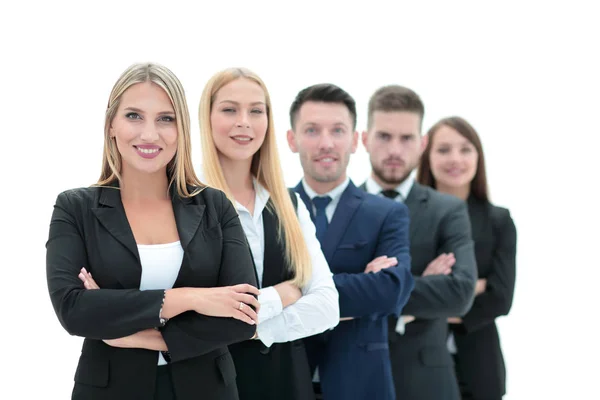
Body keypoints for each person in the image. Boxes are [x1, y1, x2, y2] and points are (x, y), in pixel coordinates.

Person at [46, 62, 260, 400]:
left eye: (165, 118)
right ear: (111, 125)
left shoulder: (215, 206)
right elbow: (74, 310)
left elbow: (244, 315)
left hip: (207, 390)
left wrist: (128, 332)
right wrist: (190, 298)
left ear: (181, 130)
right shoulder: (75, 208)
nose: (149, 134)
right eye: (134, 116)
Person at [198, 68, 340, 400]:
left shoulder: (290, 205)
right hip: (210, 385)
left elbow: (327, 306)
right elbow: (190, 317)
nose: (244, 121)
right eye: (230, 109)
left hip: (287, 385)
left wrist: (250, 328)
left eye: (256, 110)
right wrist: (283, 295)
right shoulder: (185, 203)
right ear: (207, 118)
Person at [287, 83, 414, 400]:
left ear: (356, 140)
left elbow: (391, 290)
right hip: (284, 379)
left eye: (338, 130)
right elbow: (255, 291)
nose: (326, 143)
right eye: (312, 130)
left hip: (359, 384)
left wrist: (290, 292)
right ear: (292, 139)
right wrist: (360, 285)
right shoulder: (272, 210)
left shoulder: (387, 213)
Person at [360, 85, 477, 400]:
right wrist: (420, 285)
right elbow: (324, 290)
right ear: (364, 139)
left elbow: (461, 292)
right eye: (384, 136)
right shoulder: (339, 206)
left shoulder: (447, 210)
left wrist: (365, 289)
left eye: (407, 138)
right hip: (350, 376)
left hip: (427, 382)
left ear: (422, 143)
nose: (395, 149)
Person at [417, 116, 517, 400]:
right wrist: (472, 286)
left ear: (478, 157)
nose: (455, 159)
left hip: (479, 367)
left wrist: (431, 297)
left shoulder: (498, 220)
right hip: (414, 362)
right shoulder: (405, 215)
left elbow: (500, 297)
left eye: (465, 149)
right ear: (427, 156)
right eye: (444, 149)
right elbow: (400, 289)